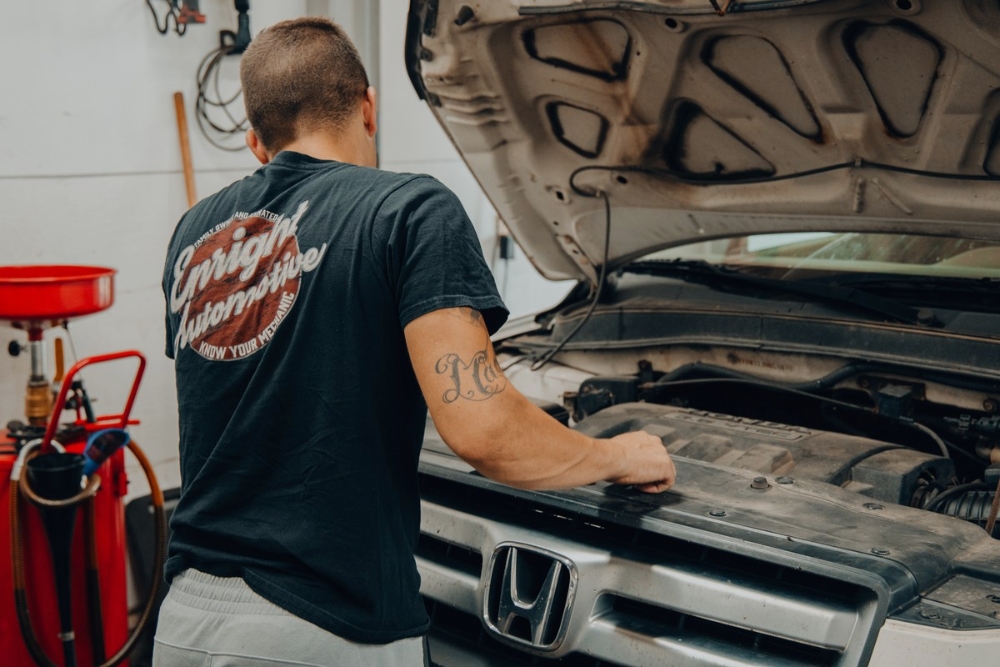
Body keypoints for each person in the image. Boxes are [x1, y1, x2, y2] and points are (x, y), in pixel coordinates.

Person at [154, 16, 676, 667]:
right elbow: (483, 431)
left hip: (184, 621)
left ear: (256, 142)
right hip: (324, 630)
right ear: (368, 107)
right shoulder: (408, 210)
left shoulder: (195, 235)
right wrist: (619, 456)